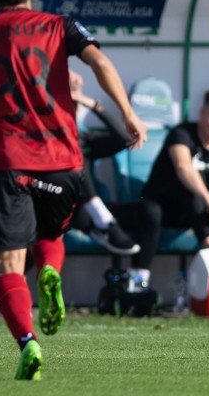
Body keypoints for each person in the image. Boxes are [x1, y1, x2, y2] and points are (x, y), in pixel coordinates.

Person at [0, 0, 146, 380]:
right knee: (49, 234)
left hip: (10, 163)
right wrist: (128, 115)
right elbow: (101, 63)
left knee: (6, 261)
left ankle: (27, 342)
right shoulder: (61, 26)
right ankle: (51, 272)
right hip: (64, 162)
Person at [69, 69, 162, 290]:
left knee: (150, 210)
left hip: (92, 212)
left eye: (74, 105)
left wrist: (91, 103)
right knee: (71, 153)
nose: (70, 109)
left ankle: (137, 283)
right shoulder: (43, 133)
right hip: (63, 210)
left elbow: (125, 139)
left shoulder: (83, 136)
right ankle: (101, 220)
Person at [143, 88, 209, 249]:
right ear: (201, 113)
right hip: (162, 209)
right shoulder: (181, 133)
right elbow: (183, 168)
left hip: (195, 211)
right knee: (190, 186)